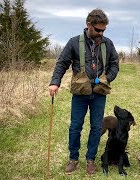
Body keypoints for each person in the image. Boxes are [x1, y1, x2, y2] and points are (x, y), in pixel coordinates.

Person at [49, 8, 119, 175]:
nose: (101, 33)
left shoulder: (107, 44)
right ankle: (73, 159)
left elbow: (115, 64)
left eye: (104, 30)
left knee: (96, 127)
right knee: (75, 127)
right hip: (80, 93)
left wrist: (106, 78)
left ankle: (90, 160)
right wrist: (54, 83)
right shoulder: (74, 42)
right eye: (98, 29)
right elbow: (62, 63)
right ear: (89, 24)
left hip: (99, 93)